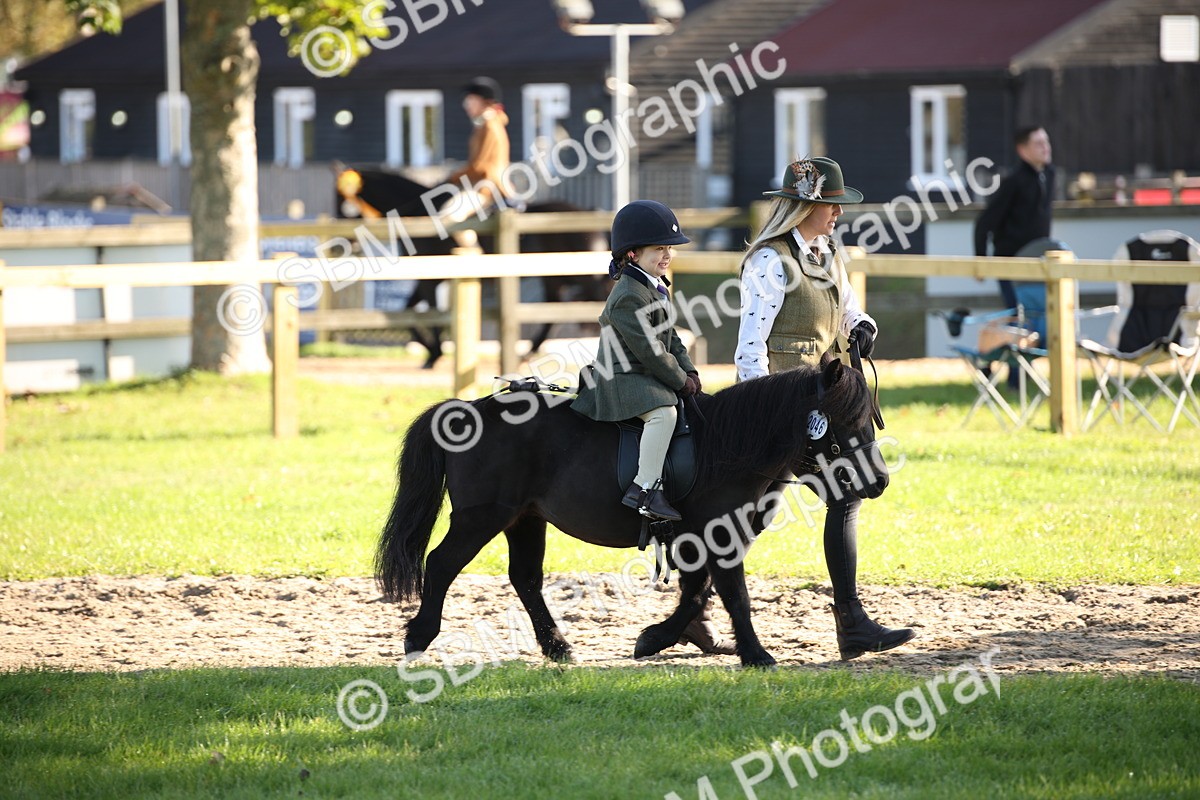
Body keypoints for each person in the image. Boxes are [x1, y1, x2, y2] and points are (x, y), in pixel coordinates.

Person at [732, 156, 915, 660]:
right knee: (757, 510)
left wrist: (860, 324)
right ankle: (850, 623)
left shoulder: (828, 253)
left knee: (785, 505)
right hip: (785, 405)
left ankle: (850, 622)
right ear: (807, 205)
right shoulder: (771, 262)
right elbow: (750, 349)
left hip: (826, 398)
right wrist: (765, 417)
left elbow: (847, 306)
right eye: (831, 204)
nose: (838, 214)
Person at [571, 200, 699, 523]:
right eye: (659, 248)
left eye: (669, 248)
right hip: (622, 379)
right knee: (664, 413)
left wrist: (690, 370)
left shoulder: (656, 289)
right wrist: (679, 380)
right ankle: (645, 489)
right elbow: (651, 351)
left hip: (644, 374)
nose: (667, 255)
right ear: (632, 254)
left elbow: (673, 340)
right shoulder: (628, 294)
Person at [974, 126, 1055, 325]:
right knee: (1019, 320)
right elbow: (984, 223)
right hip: (1011, 261)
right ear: (1023, 150)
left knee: (1043, 320)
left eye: (1046, 142)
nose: (1045, 148)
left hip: (1038, 262)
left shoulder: (1049, 175)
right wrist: (981, 262)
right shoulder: (1014, 181)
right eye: (1038, 144)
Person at [441, 76, 511, 244]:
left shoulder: (489, 125)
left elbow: (481, 166)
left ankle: (473, 259)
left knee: (449, 215)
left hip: (487, 187)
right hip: (482, 183)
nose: (467, 104)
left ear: (485, 101)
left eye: (471, 99)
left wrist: (454, 176)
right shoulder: (484, 124)